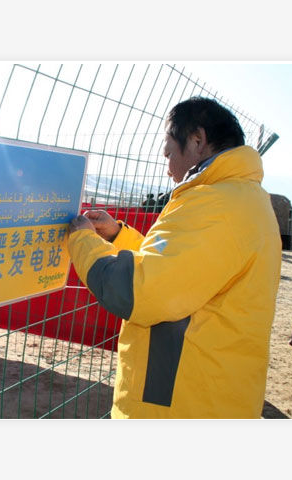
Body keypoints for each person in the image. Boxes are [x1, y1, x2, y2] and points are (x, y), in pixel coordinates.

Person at [67, 97, 282, 418]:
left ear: (197, 140)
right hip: (217, 394)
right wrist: (118, 237)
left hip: (182, 404)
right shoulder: (246, 199)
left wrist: (81, 239)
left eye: (169, 154)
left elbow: (139, 291)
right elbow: (182, 269)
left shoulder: (214, 204)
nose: (168, 169)